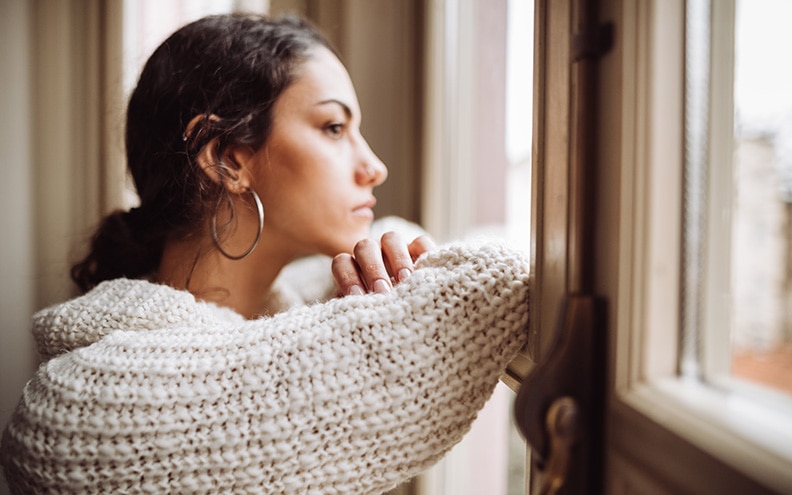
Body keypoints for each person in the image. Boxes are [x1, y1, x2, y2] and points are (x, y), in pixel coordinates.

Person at [0, 13, 531, 494]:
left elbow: (377, 251)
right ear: (227, 159)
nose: (374, 166)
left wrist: (398, 261)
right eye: (334, 127)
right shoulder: (83, 407)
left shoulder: (292, 311)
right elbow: (490, 284)